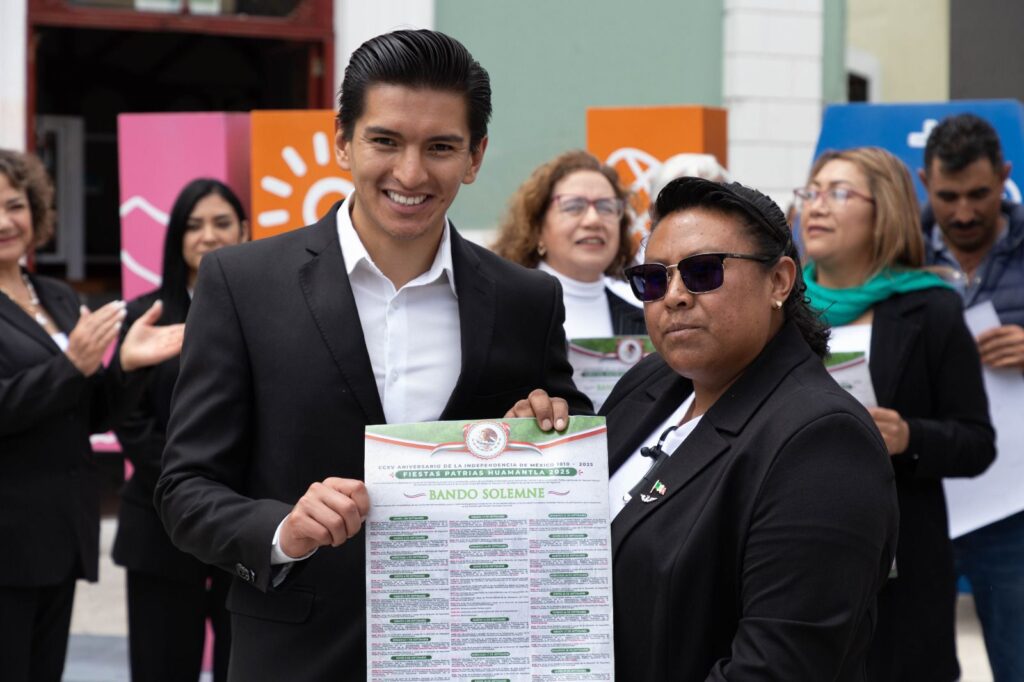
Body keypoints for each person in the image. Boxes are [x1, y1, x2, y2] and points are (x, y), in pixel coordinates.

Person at [154, 29, 590, 681]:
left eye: (440, 147)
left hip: (472, 651)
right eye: (385, 141)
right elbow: (185, 490)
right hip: (296, 657)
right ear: (343, 141)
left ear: (475, 156)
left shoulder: (527, 300)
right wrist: (284, 530)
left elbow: (566, 451)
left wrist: (548, 424)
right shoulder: (243, 283)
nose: (410, 174)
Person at [510, 177, 900, 680]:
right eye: (653, 279)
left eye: (702, 272)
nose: (674, 296)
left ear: (779, 281)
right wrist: (532, 466)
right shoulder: (652, 383)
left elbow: (777, 667)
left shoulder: (824, 444)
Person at [797, 146, 995, 681]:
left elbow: (977, 442)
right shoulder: (778, 307)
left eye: (839, 193)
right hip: (797, 556)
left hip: (901, 571)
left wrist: (909, 437)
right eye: (811, 192)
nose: (817, 205)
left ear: (884, 210)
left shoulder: (932, 308)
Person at [0, 148, 184, 682]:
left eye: (15, 205)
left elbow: (89, 413)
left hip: (59, 535)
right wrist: (70, 365)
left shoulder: (55, 295)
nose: (5, 221)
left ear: (36, 210)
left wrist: (126, 366)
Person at [113, 178, 248, 682]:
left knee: (243, 666)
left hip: (244, 525)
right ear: (176, 237)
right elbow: (128, 416)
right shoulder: (145, 315)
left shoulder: (268, 311)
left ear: (244, 230)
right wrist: (186, 487)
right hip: (158, 525)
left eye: (221, 223)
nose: (208, 235)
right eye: (194, 226)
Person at [920, 113, 1024, 682]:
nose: (963, 213)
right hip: (920, 496)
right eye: (947, 196)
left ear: (1005, 177)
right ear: (923, 182)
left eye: (979, 195)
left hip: (1014, 510)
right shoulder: (897, 252)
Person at [492, 149, 645, 337]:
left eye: (606, 207)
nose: (593, 220)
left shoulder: (646, 325)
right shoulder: (498, 313)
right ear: (537, 227)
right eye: (573, 206)